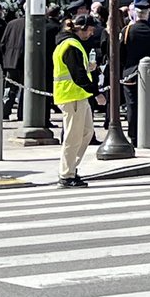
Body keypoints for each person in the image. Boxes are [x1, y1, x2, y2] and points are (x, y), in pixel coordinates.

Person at [52, 15, 103, 187]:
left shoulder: (69, 43)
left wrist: (88, 68)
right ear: (82, 28)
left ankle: (70, 169)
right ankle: (67, 174)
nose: (91, 33)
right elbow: (77, 74)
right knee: (73, 137)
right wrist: (96, 93)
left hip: (77, 96)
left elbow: (76, 70)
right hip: (72, 96)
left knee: (86, 133)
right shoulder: (70, 45)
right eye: (90, 30)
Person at [119, 1, 150, 145]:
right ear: (148, 13)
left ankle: (133, 136)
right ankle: (148, 133)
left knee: (132, 105)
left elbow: (120, 53)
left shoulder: (127, 31)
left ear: (134, 14)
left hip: (130, 71)